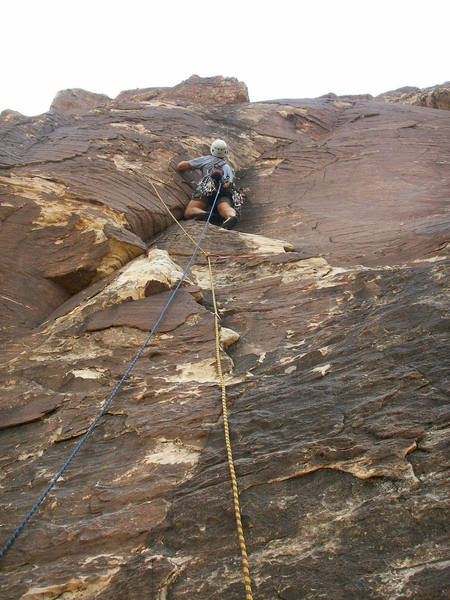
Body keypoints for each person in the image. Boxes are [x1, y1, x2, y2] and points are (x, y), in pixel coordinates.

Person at [177, 139, 239, 230]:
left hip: (207, 188)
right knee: (224, 207)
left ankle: (207, 215)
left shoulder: (206, 159)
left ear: (212, 150)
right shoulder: (227, 168)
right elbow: (229, 183)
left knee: (190, 210)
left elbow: (181, 166)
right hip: (224, 190)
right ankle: (231, 216)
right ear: (225, 152)